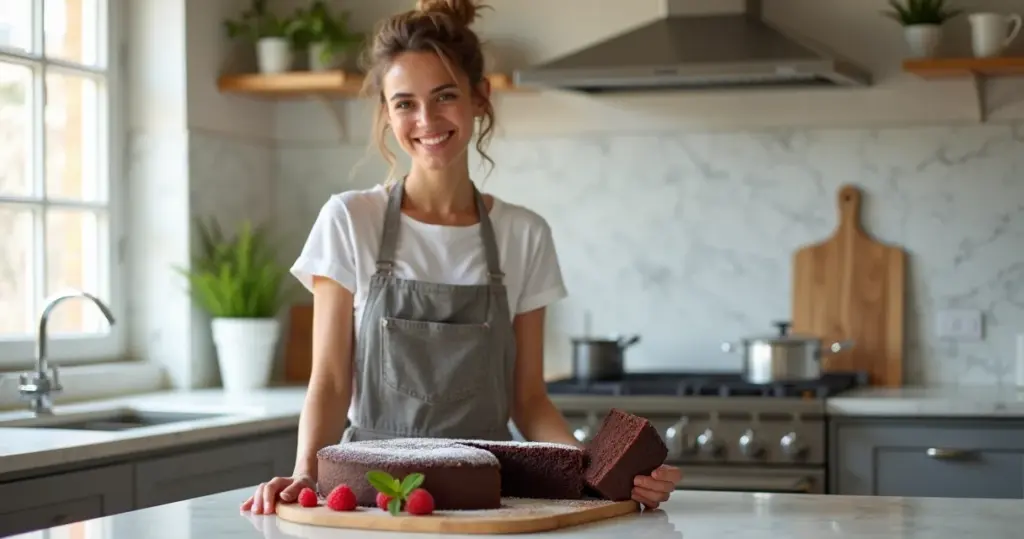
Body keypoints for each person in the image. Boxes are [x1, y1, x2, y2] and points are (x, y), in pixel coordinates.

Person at [240, 0, 682, 515]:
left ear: (479, 97)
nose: (426, 119)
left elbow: (529, 399)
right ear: (386, 113)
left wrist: (591, 473)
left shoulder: (524, 234)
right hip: (372, 494)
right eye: (404, 103)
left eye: (445, 96)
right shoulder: (348, 220)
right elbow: (331, 381)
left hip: (489, 497)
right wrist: (304, 475)